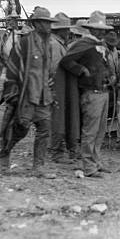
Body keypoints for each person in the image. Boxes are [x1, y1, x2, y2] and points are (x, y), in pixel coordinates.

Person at [0, 6, 57, 178]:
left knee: (45, 130)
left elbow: (48, 71)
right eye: (45, 23)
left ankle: (39, 167)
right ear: (37, 24)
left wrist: (51, 89)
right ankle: (4, 156)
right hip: (27, 96)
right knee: (19, 130)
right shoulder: (24, 43)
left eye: (49, 23)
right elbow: (13, 69)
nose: (48, 26)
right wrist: (12, 93)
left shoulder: (48, 44)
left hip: (43, 96)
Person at [60, 11, 116, 178]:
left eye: (102, 30)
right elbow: (66, 61)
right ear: (90, 29)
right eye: (97, 29)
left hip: (103, 90)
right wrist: (82, 70)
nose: (100, 32)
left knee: (100, 131)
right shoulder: (83, 44)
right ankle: (89, 166)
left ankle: (96, 161)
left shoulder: (102, 46)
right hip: (91, 92)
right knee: (90, 131)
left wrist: (111, 75)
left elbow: (104, 64)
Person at [48, 12, 75, 164]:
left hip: (57, 85)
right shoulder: (55, 45)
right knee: (57, 120)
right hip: (56, 86)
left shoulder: (57, 43)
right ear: (60, 31)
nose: (68, 32)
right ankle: (56, 153)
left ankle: (54, 148)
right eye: (66, 30)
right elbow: (55, 68)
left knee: (56, 119)